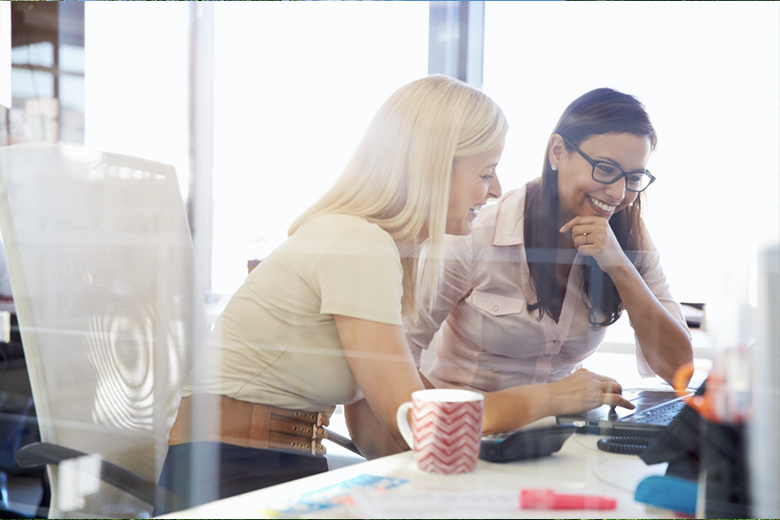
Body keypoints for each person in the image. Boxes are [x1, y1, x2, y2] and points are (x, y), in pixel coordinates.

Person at [156, 74, 514, 513]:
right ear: (435, 167)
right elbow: (410, 423)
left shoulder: (376, 247)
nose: (495, 189)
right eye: (486, 172)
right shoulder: (357, 243)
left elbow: (372, 431)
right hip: (231, 477)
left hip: (278, 470)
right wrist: (549, 400)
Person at [404, 88, 693, 409]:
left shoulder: (628, 237)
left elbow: (678, 370)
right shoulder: (478, 232)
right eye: (606, 169)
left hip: (560, 436)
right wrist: (449, 424)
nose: (618, 193)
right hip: (473, 432)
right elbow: (400, 352)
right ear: (558, 151)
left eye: (634, 177)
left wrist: (619, 266)